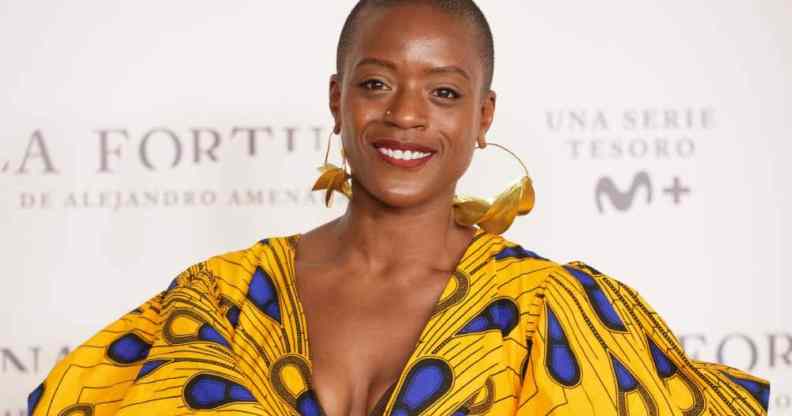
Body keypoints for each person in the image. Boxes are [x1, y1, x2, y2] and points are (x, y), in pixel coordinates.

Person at [29, 1, 770, 415]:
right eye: (377, 84)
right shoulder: (219, 298)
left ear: (483, 117)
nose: (406, 115)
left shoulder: (555, 312)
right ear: (336, 98)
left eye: (444, 92)